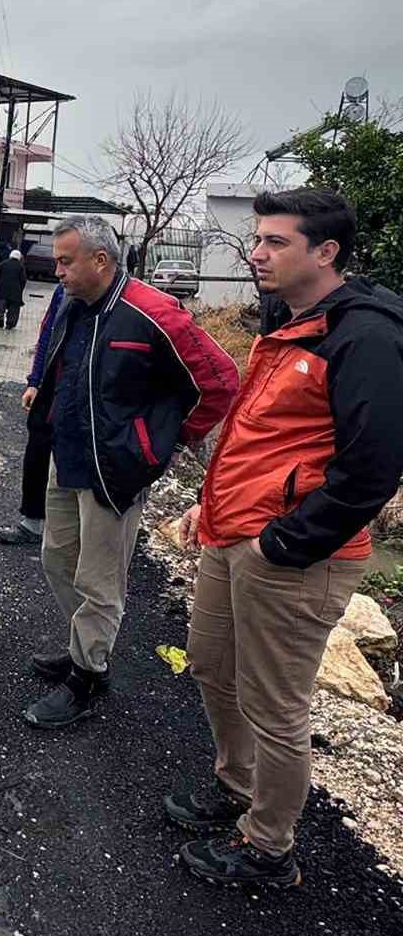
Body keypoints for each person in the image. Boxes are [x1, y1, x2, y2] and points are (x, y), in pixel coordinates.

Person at [168, 190, 403, 888]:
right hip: (232, 531)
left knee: (275, 704)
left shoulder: (365, 337)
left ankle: (269, 846)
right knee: (212, 666)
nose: (257, 253)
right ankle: (238, 788)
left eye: (275, 242)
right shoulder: (293, 321)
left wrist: (284, 543)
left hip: (295, 556)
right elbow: (260, 434)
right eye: (258, 239)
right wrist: (208, 504)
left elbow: (373, 467)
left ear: (325, 252)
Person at [23, 215, 239, 729]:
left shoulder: (152, 312)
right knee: (57, 560)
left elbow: (221, 382)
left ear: (101, 260)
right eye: (56, 261)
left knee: (100, 582)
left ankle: (88, 674)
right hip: (68, 457)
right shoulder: (73, 305)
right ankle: (84, 647)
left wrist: (162, 442)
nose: (57, 272)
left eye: (65, 261)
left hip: (115, 471)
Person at [0, 282, 64, 546]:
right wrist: (34, 381)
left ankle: (67, 533)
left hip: (86, 392)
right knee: (37, 452)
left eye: (66, 262)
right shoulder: (63, 292)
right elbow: (47, 335)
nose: (60, 272)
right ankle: (32, 523)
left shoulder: (116, 299)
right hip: (51, 385)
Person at [0, 248, 26, 329]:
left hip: (1, 290)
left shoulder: (3, 264)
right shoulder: (20, 267)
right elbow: (23, 280)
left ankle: (0, 319)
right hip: (15, 292)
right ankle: (9, 324)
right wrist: (20, 289)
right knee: (13, 309)